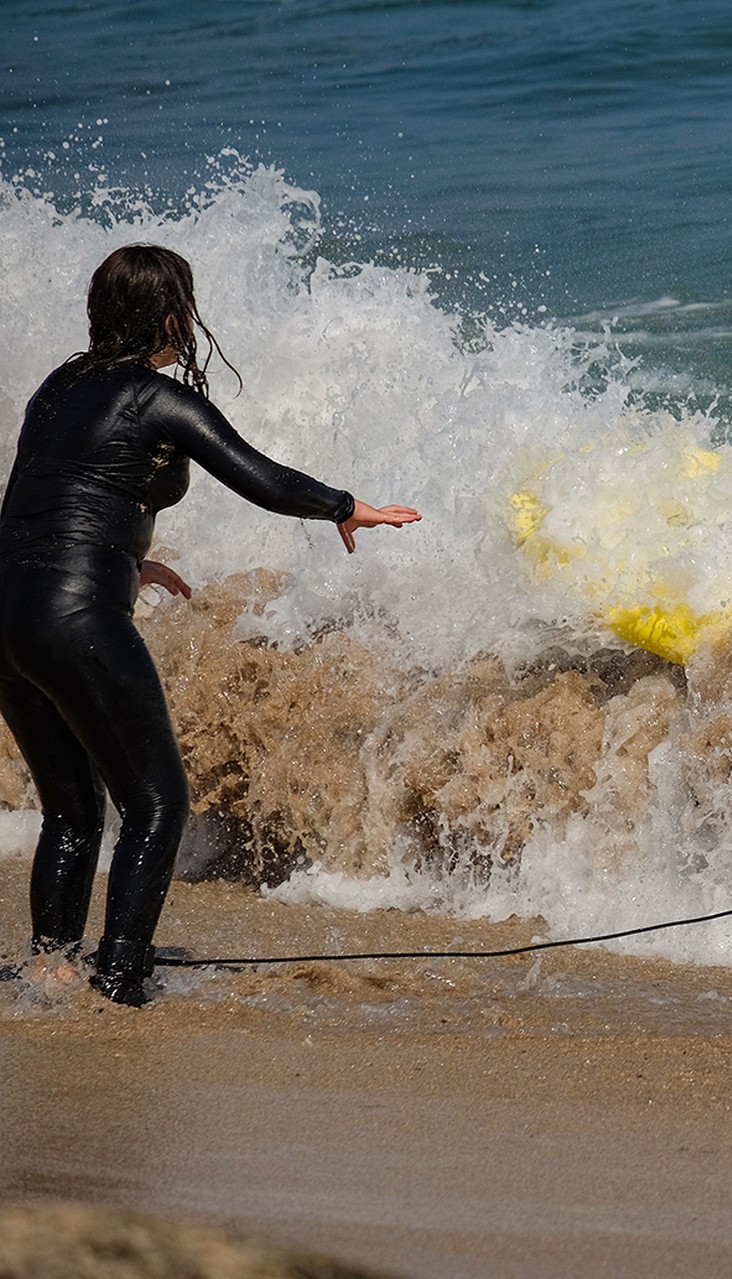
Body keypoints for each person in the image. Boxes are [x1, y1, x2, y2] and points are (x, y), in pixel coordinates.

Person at [0, 244, 420, 1006]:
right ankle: (120, 978)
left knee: (72, 807)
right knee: (157, 804)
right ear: (170, 315)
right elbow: (259, 476)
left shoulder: (58, 387)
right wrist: (345, 506)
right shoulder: (154, 399)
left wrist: (126, 562)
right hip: (73, 615)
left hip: (8, 612)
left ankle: (50, 966)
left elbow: (37, 502)